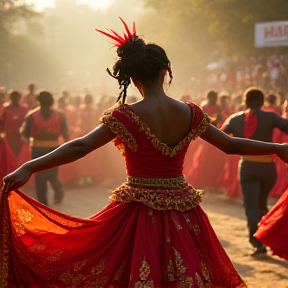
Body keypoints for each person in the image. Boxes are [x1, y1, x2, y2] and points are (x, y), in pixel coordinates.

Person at [1, 19, 288, 288]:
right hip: (185, 212)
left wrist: (29, 166)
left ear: (131, 77)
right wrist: (278, 148)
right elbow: (231, 145)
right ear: (167, 70)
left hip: (136, 213)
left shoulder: (125, 115)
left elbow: (80, 146)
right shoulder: (191, 112)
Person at [221, 87, 288, 256]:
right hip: (268, 168)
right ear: (262, 101)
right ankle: (266, 237)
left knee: (251, 206)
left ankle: (257, 243)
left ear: (245, 101)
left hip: (248, 167)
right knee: (261, 204)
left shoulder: (235, 118)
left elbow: (221, 134)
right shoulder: (270, 116)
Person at [20, 91, 69, 206]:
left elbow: (26, 134)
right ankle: (58, 187)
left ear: (38, 101)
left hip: (37, 148)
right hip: (54, 148)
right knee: (52, 174)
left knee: (39, 176)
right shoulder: (60, 115)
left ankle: (42, 204)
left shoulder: (31, 116)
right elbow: (66, 134)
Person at [0, 91, 28, 157]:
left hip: (20, 138)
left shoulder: (23, 109)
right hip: (9, 137)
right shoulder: (6, 109)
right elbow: (1, 122)